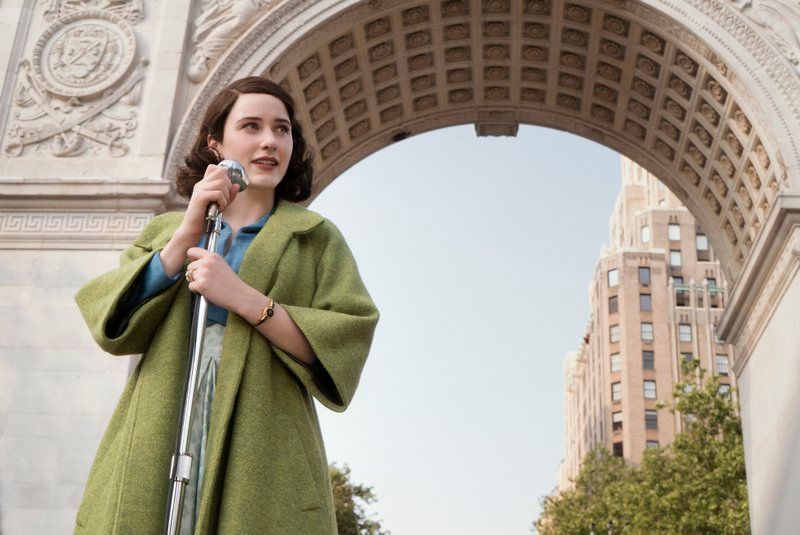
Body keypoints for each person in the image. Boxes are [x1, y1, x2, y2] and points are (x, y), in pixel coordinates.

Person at [73, 76, 379, 534]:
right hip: (161, 421)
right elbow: (112, 324)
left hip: (264, 438)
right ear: (216, 143)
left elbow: (343, 343)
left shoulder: (317, 238)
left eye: (282, 129)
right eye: (252, 126)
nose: (269, 142)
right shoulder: (165, 233)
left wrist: (244, 298)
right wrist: (184, 236)